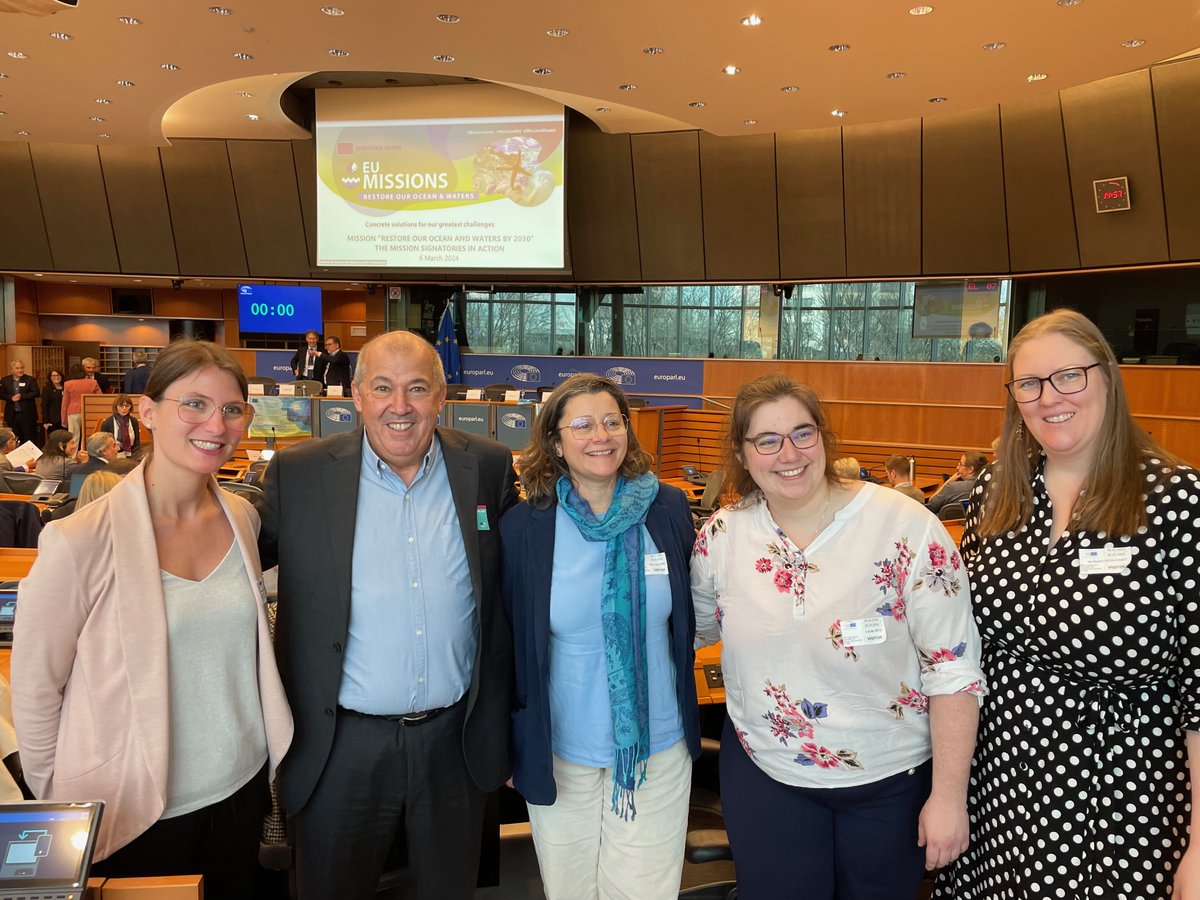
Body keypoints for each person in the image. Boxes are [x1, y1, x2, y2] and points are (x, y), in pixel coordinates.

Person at [933, 309, 1200, 899]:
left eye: (1069, 376)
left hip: (1121, 800)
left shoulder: (1179, 502)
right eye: (1029, 384)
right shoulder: (994, 492)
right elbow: (961, 648)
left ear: (1106, 376)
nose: (1049, 397)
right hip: (996, 788)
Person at [12, 339, 293, 899]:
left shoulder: (241, 517)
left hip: (244, 792)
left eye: (232, 409)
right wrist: (69, 806)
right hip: (136, 809)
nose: (215, 422)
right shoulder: (77, 540)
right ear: (147, 411)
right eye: (194, 404)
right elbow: (37, 692)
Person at [690, 374, 985, 899]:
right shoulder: (722, 535)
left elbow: (953, 668)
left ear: (823, 437)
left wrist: (948, 797)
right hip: (766, 774)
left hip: (891, 778)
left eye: (803, 433)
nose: (789, 453)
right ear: (742, 451)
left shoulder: (906, 526)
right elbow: (700, 627)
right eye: (767, 440)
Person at [257, 329, 520, 900]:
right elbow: (236, 564)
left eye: (417, 388)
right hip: (337, 747)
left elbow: (514, 587)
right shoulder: (299, 475)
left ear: (442, 393)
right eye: (382, 387)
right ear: (355, 395)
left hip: (456, 742)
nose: (399, 406)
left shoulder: (490, 469)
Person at [501, 374, 701, 900]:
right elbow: (506, 644)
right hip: (560, 746)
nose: (601, 435)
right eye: (583, 424)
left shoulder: (668, 509)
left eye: (613, 421)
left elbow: (698, 609)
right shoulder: (524, 527)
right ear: (555, 440)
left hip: (655, 745)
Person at [925, 451, 987, 519]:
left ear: (970, 469)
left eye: (960, 464)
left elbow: (930, 506)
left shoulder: (952, 487)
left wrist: (948, 482)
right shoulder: (987, 486)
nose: (957, 467)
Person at [1, 360, 40, 447]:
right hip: (12, 415)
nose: (20, 370)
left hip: (27, 415)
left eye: (22, 368)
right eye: (17, 368)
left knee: (28, 437)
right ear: (12, 370)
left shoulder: (30, 380)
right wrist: (10, 398)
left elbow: (36, 393)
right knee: (13, 437)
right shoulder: (5, 380)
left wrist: (22, 396)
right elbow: (1, 394)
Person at [62, 364, 101, 443]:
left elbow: (65, 404)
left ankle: (72, 455)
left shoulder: (68, 384)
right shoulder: (93, 382)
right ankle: (88, 453)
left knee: (74, 437)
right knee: (89, 436)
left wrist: (64, 420)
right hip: (89, 411)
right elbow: (100, 398)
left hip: (73, 412)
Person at [41, 368, 66, 434]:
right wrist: (45, 422)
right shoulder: (47, 389)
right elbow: (44, 405)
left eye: (58, 375)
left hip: (65, 420)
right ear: (50, 378)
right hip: (53, 420)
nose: (56, 377)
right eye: (54, 376)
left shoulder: (66, 387)